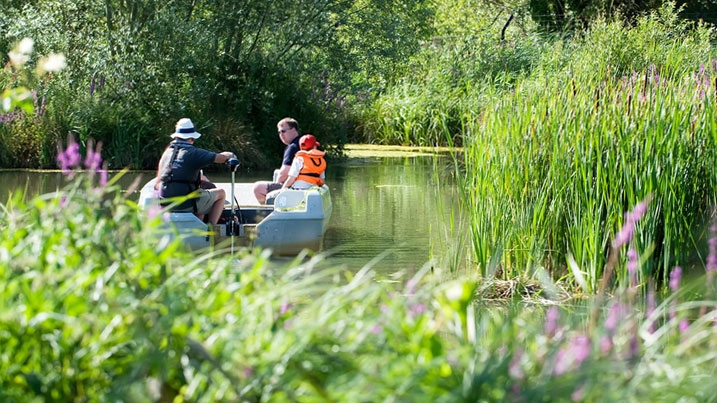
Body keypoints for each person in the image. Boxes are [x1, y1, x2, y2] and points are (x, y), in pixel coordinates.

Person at [154, 118, 235, 225]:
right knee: (221, 193)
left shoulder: (166, 153)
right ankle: (211, 230)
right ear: (192, 138)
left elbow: (158, 182)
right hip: (185, 204)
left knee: (200, 195)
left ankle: (197, 226)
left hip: (165, 203)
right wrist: (230, 155)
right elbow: (220, 158)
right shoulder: (193, 153)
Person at [252, 117, 301, 204]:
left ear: (293, 130)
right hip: (306, 185)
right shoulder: (303, 144)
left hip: (294, 187)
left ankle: (269, 211)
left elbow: (284, 173)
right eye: (279, 132)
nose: (281, 135)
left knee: (258, 188)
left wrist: (277, 187)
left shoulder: (292, 147)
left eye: (283, 131)